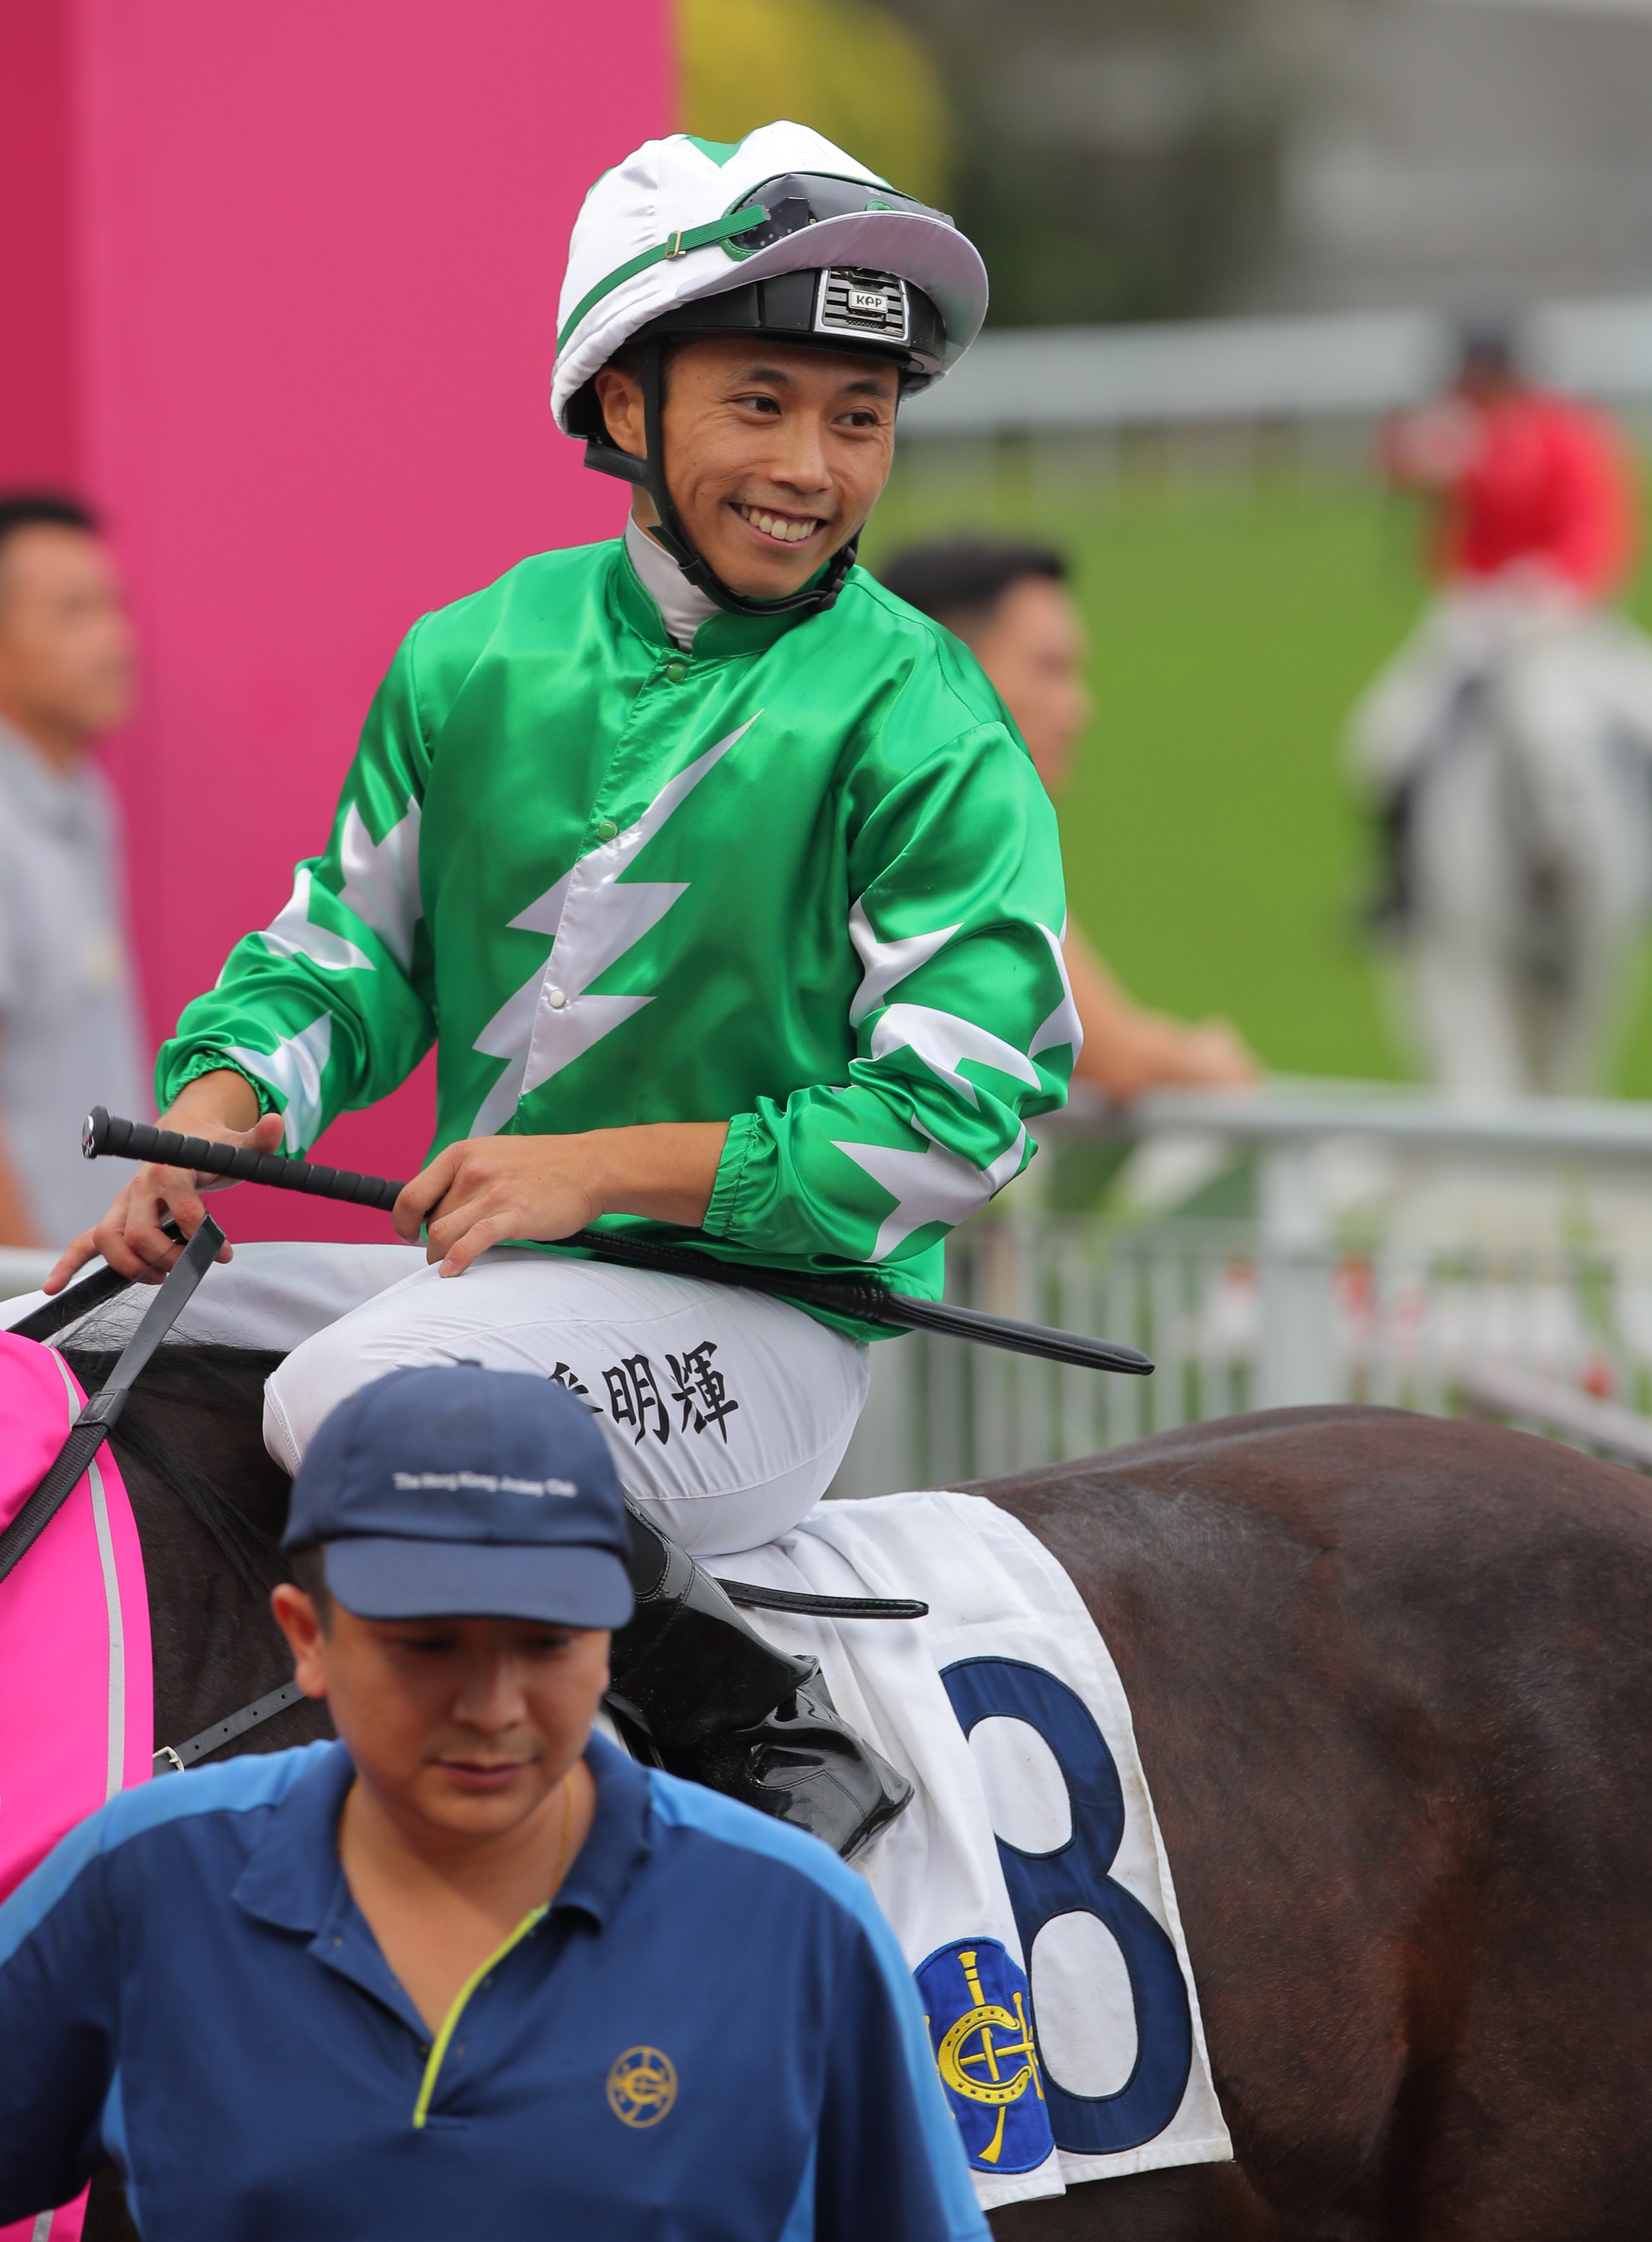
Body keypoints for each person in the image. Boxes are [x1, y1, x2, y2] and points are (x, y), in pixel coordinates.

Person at [45, 123, 1073, 1855]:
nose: (813, 466)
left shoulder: (923, 722)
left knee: (356, 1402)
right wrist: (213, 1117)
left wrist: (596, 1169)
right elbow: (348, 956)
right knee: (50, 1345)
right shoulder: (473, 656)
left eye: (858, 416)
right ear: (619, 407)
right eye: (759, 402)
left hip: (757, 1325)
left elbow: (960, 1113)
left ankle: (759, 1720)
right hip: (505, 1287)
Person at [0, 1363, 987, 2241]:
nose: (491, 1709)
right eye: (426, 1647)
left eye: (547, 1643)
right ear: (308, 1639)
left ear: (614, 1642)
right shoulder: (145, 1882)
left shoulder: (799, 1923)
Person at [1351, 321, 1652, 1091]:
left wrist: (1561, 592)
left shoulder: (1570, 434)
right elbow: (1401, 470)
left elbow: (1597, 528)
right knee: (1381, 739)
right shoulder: (1463, 435)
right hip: (1476, 616)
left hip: (1562, 613)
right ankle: (1398, 884)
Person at [879, 537, 1255, 1100]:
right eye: (1050, 669)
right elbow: (1112, 1055)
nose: (1078, 708)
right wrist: (1204, 1060)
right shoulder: (953, 836)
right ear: (953, 670)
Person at [0, 492, 148, 1247]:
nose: (116, 639)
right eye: (74, 611)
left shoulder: (83, 801)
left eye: (113, 606)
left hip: (85, 1297)